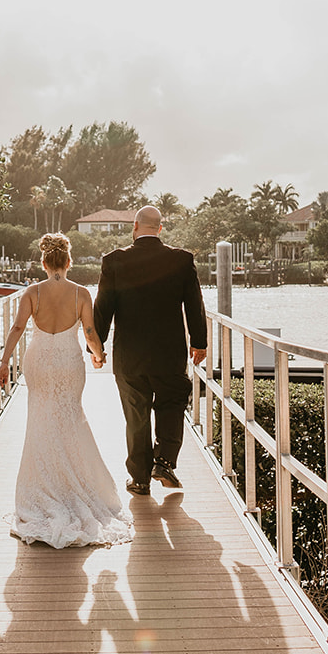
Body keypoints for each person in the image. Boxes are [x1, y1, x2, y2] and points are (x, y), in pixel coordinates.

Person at [0, 232, 133, 547]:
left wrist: (4, 362)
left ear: (44, 262)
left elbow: (17, 328)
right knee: (70, 416)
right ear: (68, 262)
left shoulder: (32, 292)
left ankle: (44, 489)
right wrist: (99, 356)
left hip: (39, 360)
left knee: (41, 418)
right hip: (69, 361)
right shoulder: (81, 292)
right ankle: (73, 488)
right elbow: (89, 331)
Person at [93, 205, 208, 497]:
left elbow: (103, 308)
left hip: (129, 355)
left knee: (136, 414)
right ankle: (165, 462)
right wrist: (200, 342)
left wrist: (96, 346)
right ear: (160, 228)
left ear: (135, 226)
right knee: (171, 403)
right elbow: (195, 305)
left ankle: (139, 478)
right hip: (169, 353)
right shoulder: (181, 260)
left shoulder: (114, 261)